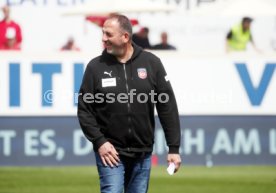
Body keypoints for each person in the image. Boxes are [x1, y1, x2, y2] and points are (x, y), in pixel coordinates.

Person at [78, 14, 181, 193]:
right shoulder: (95, 67)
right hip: (110, 153)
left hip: (142, 153)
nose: (103, 39)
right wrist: (100, 142)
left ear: (125, 37)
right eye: (103, 33)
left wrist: (173, 148)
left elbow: (167, 107)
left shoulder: (152, 63)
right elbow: (85, 110)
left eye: (108, 34)